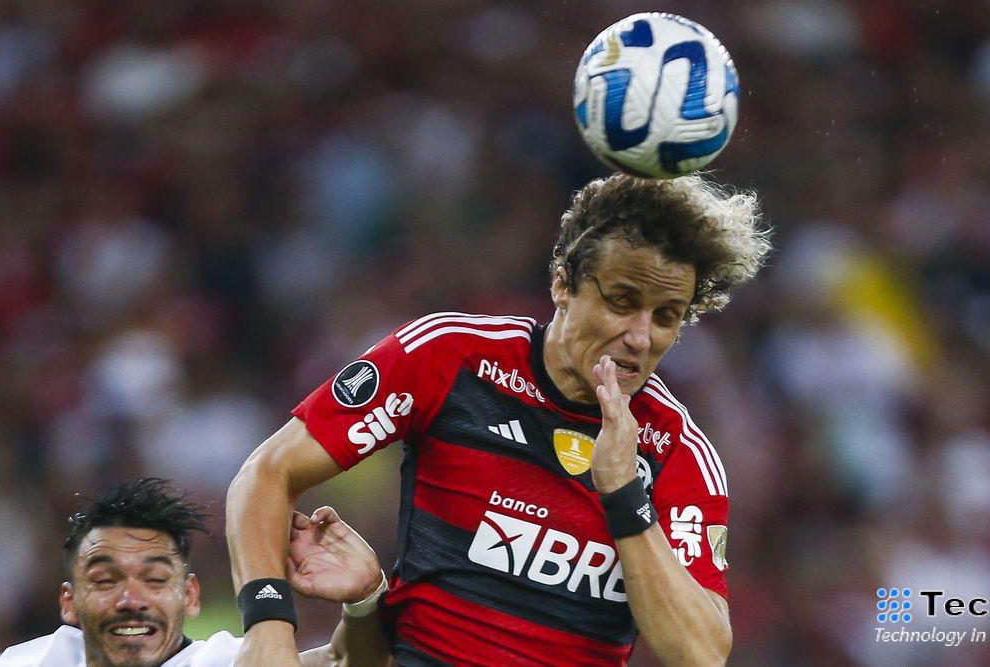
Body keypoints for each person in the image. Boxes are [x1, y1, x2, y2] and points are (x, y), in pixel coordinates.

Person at [227, 173, 772, 666]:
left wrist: (625, 496)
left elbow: (700, 654)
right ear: (563, 283)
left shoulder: (678, 451)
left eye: (666, 317)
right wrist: (268, 630)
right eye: (621, 301)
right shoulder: (452, 357)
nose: (640, 335)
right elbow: (268, 472)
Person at [0, 477, 387, 667]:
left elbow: (344, 663)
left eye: (155, 580)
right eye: (105, 581)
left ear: (190, 595)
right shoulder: (25, 665)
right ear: (70, 602)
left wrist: (365, 598)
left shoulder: (224, 662)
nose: (132, 601)